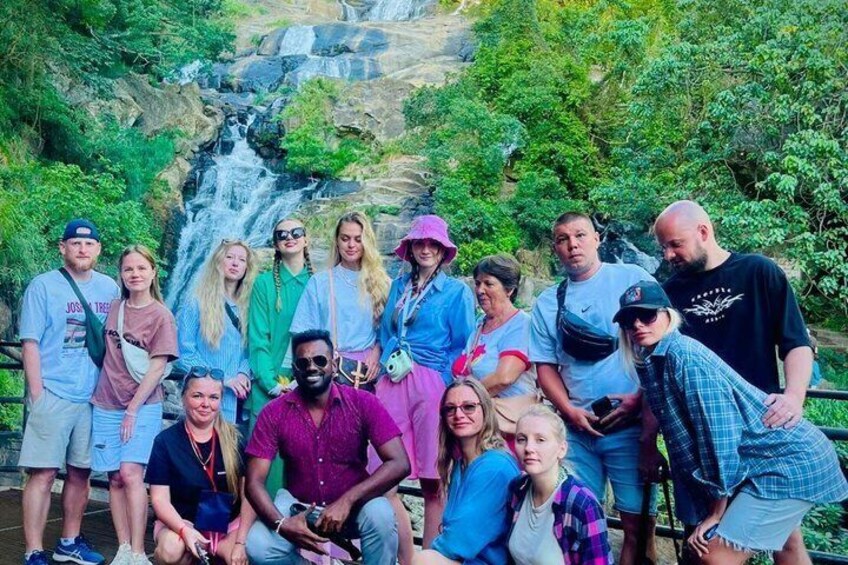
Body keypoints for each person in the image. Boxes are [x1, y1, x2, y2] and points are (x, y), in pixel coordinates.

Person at [615, 280, 848, 565]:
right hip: (768, 461)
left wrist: (717, 511)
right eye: (628, 320)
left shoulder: (685, 358)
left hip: (788, 462)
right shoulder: (654, 360)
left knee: (714, 556)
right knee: (788, 544)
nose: (638, 324)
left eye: (647, 315)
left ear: (668, 315)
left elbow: (718, 437)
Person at [651, 200, 816, 561]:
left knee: (786, 542)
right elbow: (657, 371)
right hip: (704, 440)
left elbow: (796, 343)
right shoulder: (669, 294)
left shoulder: (759, 272)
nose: (668, 255)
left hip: (762, 430)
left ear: (703, 232)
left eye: (675, 244)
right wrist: (647, 436)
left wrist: (794, 396)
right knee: (703, 544)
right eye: (663, 247)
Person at [529, 211, 658, 564]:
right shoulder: (547, 302)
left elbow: (661, 346)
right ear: (555, 247)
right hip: (577, 432)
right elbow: (545, 366)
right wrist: (569, 411)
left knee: (639, 527)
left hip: (630, 428)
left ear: (597, 238)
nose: (573, 245)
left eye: (580, 235)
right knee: (577, 522)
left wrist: (638, 401)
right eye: (563, 239)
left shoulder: (631, 279)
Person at [244, 329, 410, 564]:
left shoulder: (363, 403)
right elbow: (253, 482)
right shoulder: (274, 413)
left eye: (320, 360)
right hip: (298, 505)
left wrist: (348, 500)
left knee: (381, 515)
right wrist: (282, 524)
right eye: (303, 363)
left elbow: (400, 462)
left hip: (355, 506)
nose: (311, 367)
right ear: (294, 369)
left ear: (333, 365)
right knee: (258, 545)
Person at [18, 219, 119, 565]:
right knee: (43, 473)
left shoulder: (109, 288)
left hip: (94, 398)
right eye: (75, 243)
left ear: (98, 250)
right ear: (63, 248)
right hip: (54, 393)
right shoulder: (43, 286)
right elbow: (30, 342)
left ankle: (68, 542)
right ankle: (33, 550)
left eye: (89, 244)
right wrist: (37, 395)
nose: (82, 249)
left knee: (80, 472)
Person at [377, 214, 476, 561]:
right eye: (419, 242)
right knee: (383, 476)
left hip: (431, 385)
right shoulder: (398, 286)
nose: (426, 249)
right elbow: (385, 332)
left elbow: (463, 344)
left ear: (443, 250)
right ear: (410, 248)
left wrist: (442, 380)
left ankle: (430, 558)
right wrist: (385, 366)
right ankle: (407, 557)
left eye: (433, 243)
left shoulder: (456, 292)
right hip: (392, 381)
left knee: (434, 478)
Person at [90, 245, 179, 565]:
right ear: (121, 275)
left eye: (142, 268)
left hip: (142, 406)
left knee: (131, 473)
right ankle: (124, 547)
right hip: (106, 402)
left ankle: (139, 552)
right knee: (114, 477)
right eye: (128, 269)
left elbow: (157, 368)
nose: (135, 274)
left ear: (153, 272)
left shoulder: (161, 316)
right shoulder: (115, 307)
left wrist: (132, 409)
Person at [146, 367, 256, 565]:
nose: (206, 404)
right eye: (197, 396)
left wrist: (240, 542)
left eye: (213, 397)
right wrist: (184, 530)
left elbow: (250, 496)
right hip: (181, 523)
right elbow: (159, 499)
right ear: (183, 398)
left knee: (240, 557)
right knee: (170, 550)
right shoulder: (165, 442)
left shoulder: (236, 439)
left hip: (227, 526)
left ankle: (220, 551)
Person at [412, 378, 520, 565]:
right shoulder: (461, 464)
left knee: (423, 560)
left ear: (485, 410)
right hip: (467, 560)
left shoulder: (494, 467)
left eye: (469, 407)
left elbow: (459, 541)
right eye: (450, 409)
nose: (458, 414)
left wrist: (431, 554)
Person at [248, 218, 312, 495]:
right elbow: (258, 338)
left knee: (304, 464)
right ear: (275, 243)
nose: (290, 237)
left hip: (308, 385)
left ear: (306, 239)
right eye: (282, 234)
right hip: (269, 387)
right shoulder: (263, 285)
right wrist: (270, 383)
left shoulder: (318, 283)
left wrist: (303, 381)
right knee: (266, 468)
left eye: (296, 232)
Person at [291, 211, 389, 386]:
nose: (351, 245)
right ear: (337, 241)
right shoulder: (320, 282)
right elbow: (303, 332)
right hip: (330, 371)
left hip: (370, 371)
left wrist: (377, 352)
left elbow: (390, 330)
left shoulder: (384, 283)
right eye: (345, 238)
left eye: (358, 239)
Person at [508, 405, 613, 565]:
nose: (528, 448)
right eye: (522, 439)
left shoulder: (582, 504)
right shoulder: (519, 488)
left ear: (561, 449)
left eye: (540, 440)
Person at [451, 254, 536, 445]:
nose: (480, 290)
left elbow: (504, 378)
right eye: (477, 283)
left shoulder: (520, 324)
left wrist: (461, 400)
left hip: (509, 429)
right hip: (480, 426)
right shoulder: (480, 325)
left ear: (509, 289)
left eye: (488, 284)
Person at [177, 240, 258, 424]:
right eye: (229, 257)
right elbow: (185, 353)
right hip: (204, 398)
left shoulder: (249, 306)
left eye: (242, 260)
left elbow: (253, 349)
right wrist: (223, 379)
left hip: (239, 399)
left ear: (247, 267)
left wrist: (244, 373)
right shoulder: (196, 301)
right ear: (218, 261)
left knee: (231, 442)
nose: (235, 263)